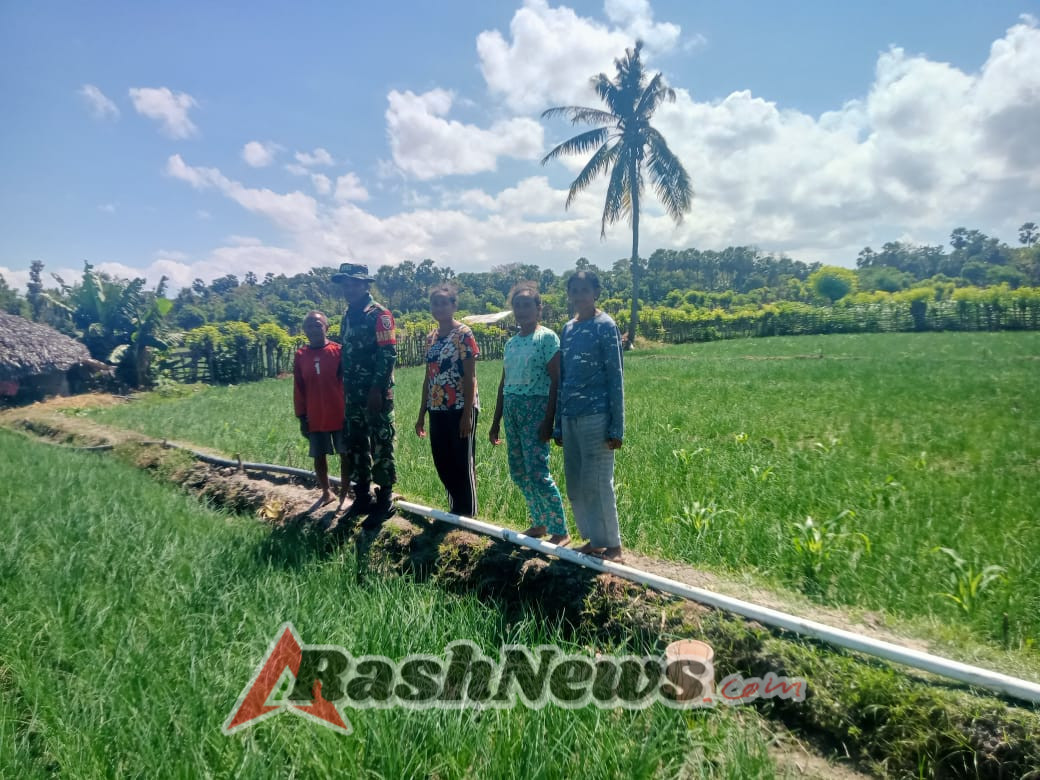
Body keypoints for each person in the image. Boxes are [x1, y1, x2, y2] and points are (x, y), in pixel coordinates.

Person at [488, 282, 569, 546]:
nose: (522, 311)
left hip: (537, 409)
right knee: (519, 471)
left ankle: (560, 528)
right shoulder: (511, 343)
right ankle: (539, 523)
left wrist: (550, 420)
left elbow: (556, 381)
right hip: (512, 409)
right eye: (517, 306)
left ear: (538, 308)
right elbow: (504, 382)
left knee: (537, 470)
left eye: (527, 305)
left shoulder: (547, 338)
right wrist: (496, 421)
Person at [554, 270, 625, 562]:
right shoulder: (568, 329)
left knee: (597, 482)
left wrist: (616, 426)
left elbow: (615, 377)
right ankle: (594, 540)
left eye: (585, 289)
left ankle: (614, 547)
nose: (580, 295)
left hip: (597, 415)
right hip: (570, 416)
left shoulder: (605, 326)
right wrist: (559, 422)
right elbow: (564, 378)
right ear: (569, 294)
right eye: (575, 290)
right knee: (576, 483)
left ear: (595, 292)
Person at [331, 262, 397, 530]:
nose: (348, 289)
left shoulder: (379, 314)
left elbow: (388, 354)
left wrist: (376, 389)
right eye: (345, 284)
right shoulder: (348, 314)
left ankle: (385, 499)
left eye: (353, 283)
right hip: (353, 393)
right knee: (357, 442)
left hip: (375, 394)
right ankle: (363, 495)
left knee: (381, 442)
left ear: (365, 285)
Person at [415, 284, 480, 517]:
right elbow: (428, 377)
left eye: (444, 303)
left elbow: (470, 375)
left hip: (461, 406)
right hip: (437, 407)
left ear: (454, 305)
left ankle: (469, 515)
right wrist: (422, 413)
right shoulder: (431, 337)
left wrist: (467, 414)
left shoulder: (463, 334)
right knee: (442, 461)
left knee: (462, 462)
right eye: (435, 303)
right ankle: (455, 510)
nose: (439, 307)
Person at [293, 311, 350, 514]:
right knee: (319, 455)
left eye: (317, 325)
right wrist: (301, 416)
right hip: (315, 415)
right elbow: (299, 388)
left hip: (340, 413)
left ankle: (344, 493)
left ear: (326, 327)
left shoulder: (338, 351)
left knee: (345, 454)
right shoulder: (301, 356)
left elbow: (347, 383)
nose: (313, 329)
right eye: (309, 326)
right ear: (304, 330)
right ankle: (326, 492)